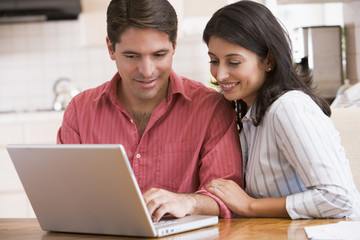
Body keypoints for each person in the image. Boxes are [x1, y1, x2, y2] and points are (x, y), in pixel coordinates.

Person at [57, 0, 243, 221]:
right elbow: (65, 195)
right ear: (111, 48)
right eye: (132, 56)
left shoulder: (211, 108)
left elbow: (227, 198)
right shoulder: (80, 111)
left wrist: (187, 201)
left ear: (174, 45)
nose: (147, 71)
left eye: (159, 55)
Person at [203, 0, 360, 219]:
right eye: (214, 60)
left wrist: (249, 206)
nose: (219, 75)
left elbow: (338, 198)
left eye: (234, 62)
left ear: (269, 60)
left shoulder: (288, 107)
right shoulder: (250, 115)